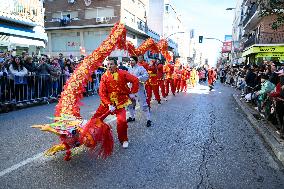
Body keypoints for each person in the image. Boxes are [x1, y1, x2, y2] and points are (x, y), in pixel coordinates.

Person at [90, 58, 139, 148]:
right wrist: (108, 104)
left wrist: (132, 92)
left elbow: (135, 80)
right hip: (107, 103)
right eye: (108, 64)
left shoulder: (123, 73)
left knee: (122, 121)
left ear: (116, 65)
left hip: (120, 102)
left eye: (111, 64)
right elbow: (102, 92)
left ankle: (123, 139)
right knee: (96, 119)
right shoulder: (104, 76)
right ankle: (90, 135)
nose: (109, 66)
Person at [127, 55, 152, 127]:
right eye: (130, 60)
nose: (131, 62)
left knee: (143, 105)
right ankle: (132, 117)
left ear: (136, 61)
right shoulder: (129, 69)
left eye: (132, 60)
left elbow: (146, 75)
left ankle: (148, 119)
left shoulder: (140, 68)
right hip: (131, 89)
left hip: (139, 90)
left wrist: (137, 78)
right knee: (130, 104)